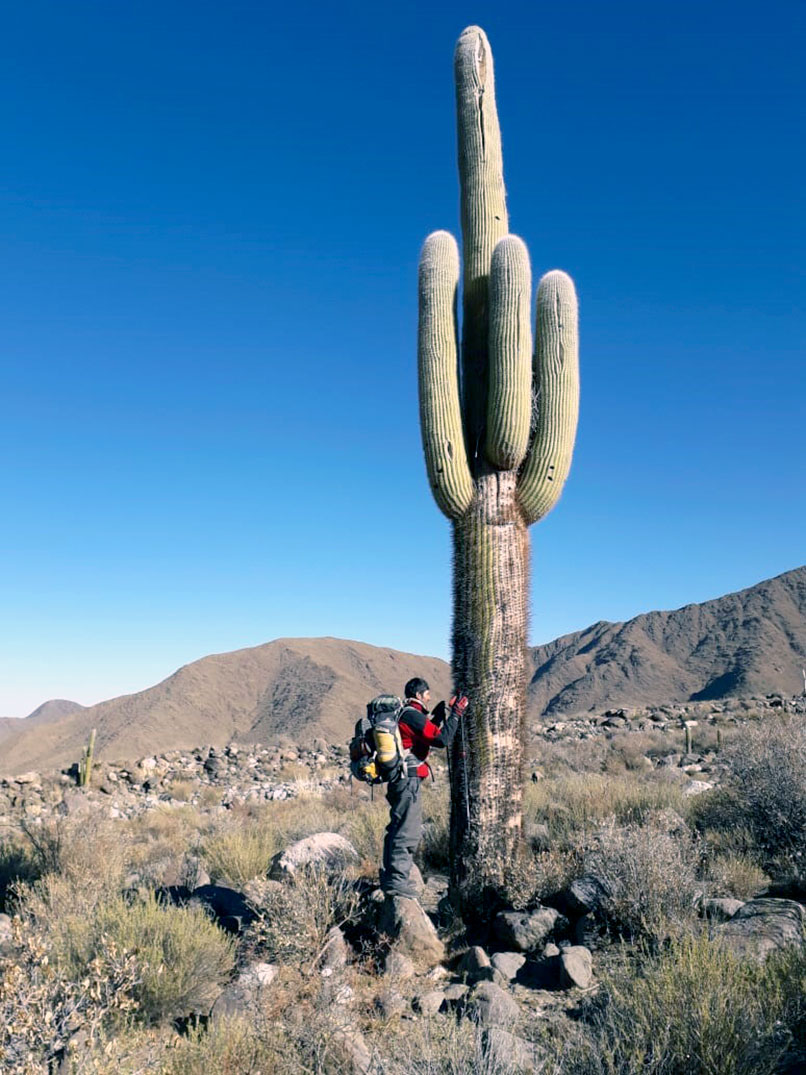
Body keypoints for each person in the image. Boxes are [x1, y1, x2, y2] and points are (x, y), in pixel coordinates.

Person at [379, 677, 468, 899]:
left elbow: (423, 737)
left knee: (397, 827)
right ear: (419, 695)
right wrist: (456, 714)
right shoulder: (412, 715)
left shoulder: (405, 714)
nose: (429, 697)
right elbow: (441, 740)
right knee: (407, 831)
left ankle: (390, 876)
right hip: (407, 781)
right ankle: (397, 881)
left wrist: (437, 717)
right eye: (427, 694)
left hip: (399, 779)